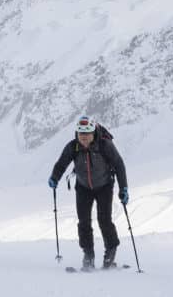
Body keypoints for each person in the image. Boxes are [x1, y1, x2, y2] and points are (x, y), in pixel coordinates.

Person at [48, 115, 129, 269]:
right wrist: (54, 178)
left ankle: (110, 253)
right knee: (83, 222)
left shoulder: (105, 145)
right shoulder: (73, 146)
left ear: (93, 133)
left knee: (104, 220)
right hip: (83, 187)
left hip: (104, 186)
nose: (84, 138)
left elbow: (119, 165)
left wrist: (123, 188)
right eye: (81, 135)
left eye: (87, 135)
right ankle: (88, 255)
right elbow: (61, 163)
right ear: (77, 134)